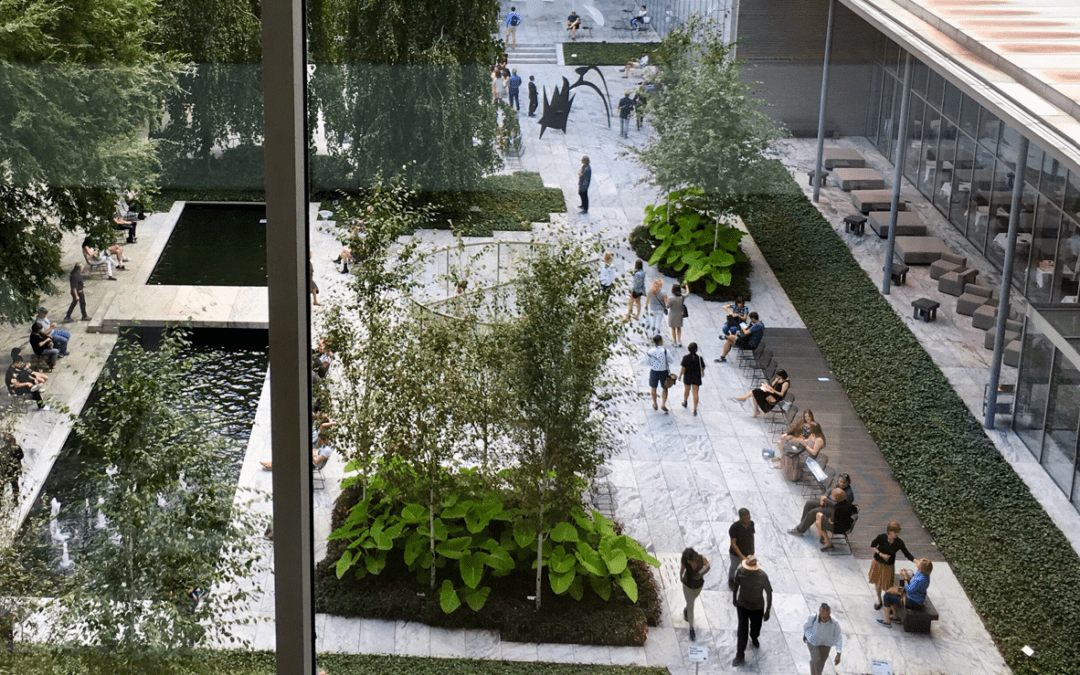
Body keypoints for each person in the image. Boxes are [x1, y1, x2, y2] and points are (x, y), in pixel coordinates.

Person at [731, 555, 772, 667]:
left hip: (757, 607)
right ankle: (740, 655)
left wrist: (768, 610)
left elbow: (769, 592)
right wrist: (734, 597)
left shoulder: (763, 576)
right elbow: (736, 585)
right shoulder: (740, 572)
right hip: (743, 605)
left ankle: (754, 636)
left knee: (756, 627)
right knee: (742, 630)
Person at [869, 521, 916, 610]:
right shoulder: (881, 537)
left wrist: (915, 560)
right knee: (877, 583)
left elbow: (906, 553)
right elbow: (872, 546)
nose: (896, 534)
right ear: (889, 531)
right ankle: (879, 600)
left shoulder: (899, 542)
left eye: (897, 532)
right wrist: (881, 554)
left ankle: (888, 603)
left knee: (888, 585)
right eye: (895, 532)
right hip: (878, 562)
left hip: (889, 566)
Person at [788, 470, 853, 534]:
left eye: (844, 482)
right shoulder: (839, 486)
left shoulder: (848, 494)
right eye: (840, 481)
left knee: (813, 512)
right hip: (828, 502)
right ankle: (804, 524)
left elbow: (839, 505)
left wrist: (826, 500)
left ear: (848, 482)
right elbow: (829, 490)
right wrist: (824, 496)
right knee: (809, 503)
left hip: (835, 510)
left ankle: (800, 530)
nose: (842, 484)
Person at [880, 558, 932, 627]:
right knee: (892, 592)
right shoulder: (923, 573)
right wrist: (907, 575)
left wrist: (905, 577)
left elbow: (909, 589)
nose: (917, 562)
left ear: (921, 568)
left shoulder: (920, 579)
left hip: (913, 602)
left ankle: (887, 621)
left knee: (887, 596)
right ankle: (895, 616)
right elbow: (913, 583)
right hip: (917, 598)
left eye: (919, 563)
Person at [680, 547, 709, 642]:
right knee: (691, 605)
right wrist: (681, 577)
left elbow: (708, 566)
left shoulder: (701, 558)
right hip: (687, 585)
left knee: (692, 601)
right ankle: (691, 628)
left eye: (690, 560)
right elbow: (682, 569)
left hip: (698, 585)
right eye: (687, 560)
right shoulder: (685, 561)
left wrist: (700, 574)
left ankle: (686, 609)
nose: (688, 562)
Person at [803, 603, 842, 675]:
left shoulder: (834, 623)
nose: (824, 619)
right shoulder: (813, 617)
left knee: (821, 662)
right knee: (816, 659)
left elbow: (839, 638)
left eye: (826, 617)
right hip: (813, 642)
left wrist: (838, 654)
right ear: (819, 612)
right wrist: (809, 636)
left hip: (826, 645)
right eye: (822, 616)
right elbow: (806, 627)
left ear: (829, 614)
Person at [815, 487, 855, 551]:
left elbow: (831, 521)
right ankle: (823, 538)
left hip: (838, 528)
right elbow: (855, 510)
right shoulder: (848, 503)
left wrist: (826, 518)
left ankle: (827, 542)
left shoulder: (837, 508)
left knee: (818, 521)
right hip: (847, 525)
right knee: (819, 516)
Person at [645, 334, 674, 413]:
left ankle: (654, 403)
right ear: (661, 341)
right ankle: (663, 404)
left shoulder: (650, 351)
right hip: (663, 371)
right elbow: (671, 361)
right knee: (664, 388)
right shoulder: (665, 351)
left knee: (653, 387)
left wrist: (653, 364)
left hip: (654, 371)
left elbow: (646, 362)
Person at [728, 508, 754, 589]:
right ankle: (731, 579)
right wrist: (741, 556)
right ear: (740, 518)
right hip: (736, 554)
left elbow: (751, 537)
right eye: (745, 518)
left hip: (748, 552)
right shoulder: (734, 527)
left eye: (748, 517)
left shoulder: (751, 524)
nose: (747, 520)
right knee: (733, 567)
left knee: (748, 568)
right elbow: (733, 543)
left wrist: (752, 552)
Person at [678, 342, 704, 415]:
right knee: (695, 393)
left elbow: (683, 368)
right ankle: (695, 409)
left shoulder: (685, 357)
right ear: (696, 350)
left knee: (686, 390)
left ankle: (685, 401)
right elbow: (703, 367)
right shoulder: (699, 358)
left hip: (688, 376)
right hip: (696, 377)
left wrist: (680, 375)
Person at [1, 433, 24, 506]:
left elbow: (21, 455)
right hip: (6, 470)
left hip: (14, 469)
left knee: (14, 484)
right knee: (2, 484)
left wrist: (14, 460)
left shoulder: (16, 447)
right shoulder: (3, 450)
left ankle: (15, 499)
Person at [666, 282, 689, 346]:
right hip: (680, 315)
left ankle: (675, 342)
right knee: (679, 328)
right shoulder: (682, 297)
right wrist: (686, 285)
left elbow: (667, 306)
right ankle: (679, 341)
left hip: (672, 315)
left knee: (673, 328)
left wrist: (665, 301)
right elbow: (687, 293)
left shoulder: (670, 298)